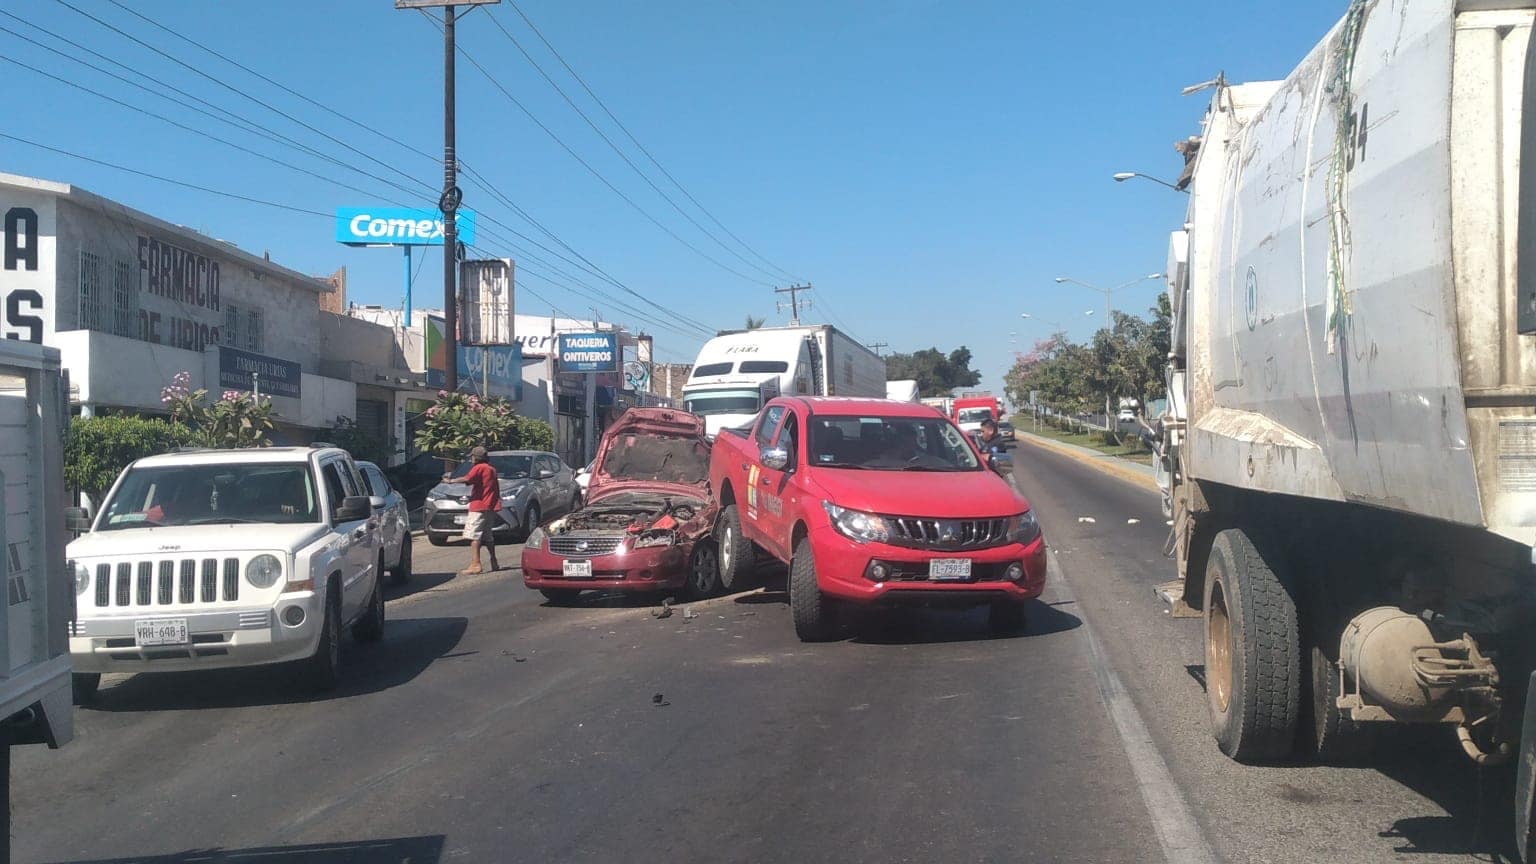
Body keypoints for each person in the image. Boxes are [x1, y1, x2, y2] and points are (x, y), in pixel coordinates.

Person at [457, 446, 502, 574]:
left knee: (474, 535)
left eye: (472, 456)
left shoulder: (479, 468)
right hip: (490, 506)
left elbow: (467, 479)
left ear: (476, 457)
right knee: (488, 536)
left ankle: (476, 564)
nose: (471, 459)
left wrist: (451, 481)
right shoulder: (491, 469)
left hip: (478, 506)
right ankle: (494, 561)